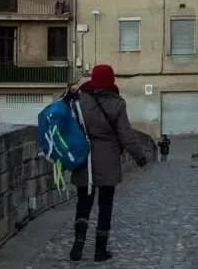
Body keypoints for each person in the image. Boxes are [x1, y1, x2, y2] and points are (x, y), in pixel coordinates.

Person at [69, 64, 148, 262]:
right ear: (111, 80)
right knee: (105, 205)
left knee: (83, 203)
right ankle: (100, 251)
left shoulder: (80, 100)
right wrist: (140, 156)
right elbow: (126, 135)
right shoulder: (117, 104)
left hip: (83, 158)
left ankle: (77, 246)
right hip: (108, 159)